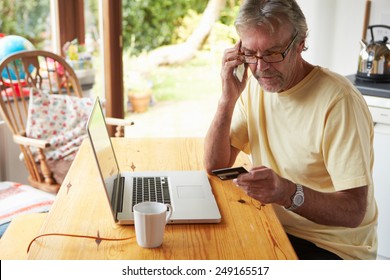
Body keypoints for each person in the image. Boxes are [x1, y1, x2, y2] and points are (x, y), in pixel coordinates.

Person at [204, 0, 377, 260]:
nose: (261, 68)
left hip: (331, 247)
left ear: (300, 43)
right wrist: (226, 100)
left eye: (273, 53)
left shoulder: (339, 101)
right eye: (250, 54)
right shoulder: (254, 87)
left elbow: (353, 212)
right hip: (275, 226)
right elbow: (216, 166)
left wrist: (286, 193)